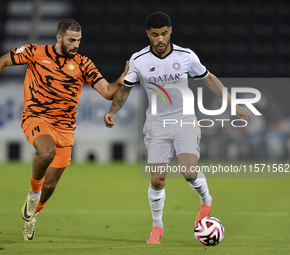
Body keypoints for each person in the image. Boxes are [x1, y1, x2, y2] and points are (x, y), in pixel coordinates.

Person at [0, 18, 128, 241]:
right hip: (36, 117)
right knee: (46, 152)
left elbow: (106, 91)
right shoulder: (35, 52)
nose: (76, 45)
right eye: (71, 40)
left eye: (79, 40)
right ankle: (33, 194)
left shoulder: (83, 63)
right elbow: (1, 61)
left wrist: (119, 83)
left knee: (51, 184)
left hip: (65, 127)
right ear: (59, 38)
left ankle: (31, 215)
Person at [104, 12, 251, 244]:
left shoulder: (186, 55)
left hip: (184, 121)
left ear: (170, 31)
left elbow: (209, 79)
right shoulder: (138, 59)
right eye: (155, 35)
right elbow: (125, 88)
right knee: (157, 180)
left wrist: (234, 105)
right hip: (156, 125)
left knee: (188, 172)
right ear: (148, 35)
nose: (160, 39)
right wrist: (113, 111)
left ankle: (205, 200)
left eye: (164, 33)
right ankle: (157, 227)